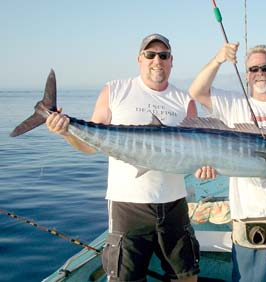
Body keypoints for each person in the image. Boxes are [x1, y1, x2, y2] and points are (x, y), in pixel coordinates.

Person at [46, 33, 200, 282]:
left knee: (186, 276)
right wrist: (66, 132)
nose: (157, 60)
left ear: (172, 60)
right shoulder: (115, 90)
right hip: (127, 205)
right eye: (150, 55)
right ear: (140, 59)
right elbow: (89, 147)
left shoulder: (185, 101)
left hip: (174, 204)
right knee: (125, 278)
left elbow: (197, 152)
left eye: (163, 55)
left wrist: (205, 166)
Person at [190, 43, 266, 282]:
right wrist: (218, 59)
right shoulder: (233, 103)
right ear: (246, 75)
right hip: (248, 213)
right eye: (253, 69)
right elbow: (197, 91)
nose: (260, 73)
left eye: (265, 68)